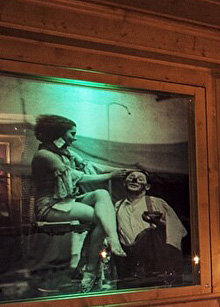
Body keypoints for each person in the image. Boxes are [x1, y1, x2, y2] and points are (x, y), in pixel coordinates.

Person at [29, 115, 127, 290]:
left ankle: (110, 243)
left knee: (102, 194)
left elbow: (92, 166)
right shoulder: (44, 155)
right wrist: (109, 176)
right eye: (72, 134)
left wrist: (123, 170)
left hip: (67, 200)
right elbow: (77, 178)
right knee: (101, 219)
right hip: (49, 206)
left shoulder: (66, 152)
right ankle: (89, 269)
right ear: (59, 133)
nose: (75, 138)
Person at [113, 168, 187, 280]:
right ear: (124, 183)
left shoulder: (156, 202)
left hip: (154, 265)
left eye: (140, 179)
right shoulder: (117, 206)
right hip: (128, 264)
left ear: (147, 187)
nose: (135, 180)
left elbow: (177, 230)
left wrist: (157, 223)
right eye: (131, 177)